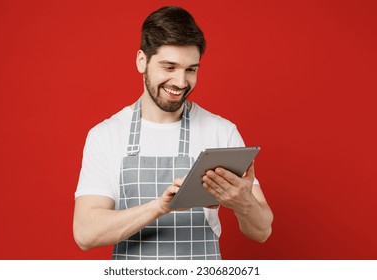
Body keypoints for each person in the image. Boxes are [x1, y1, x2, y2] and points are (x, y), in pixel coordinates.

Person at [73, 6, 273, 260]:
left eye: (191, 69)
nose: (180, 82)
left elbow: (262, 230)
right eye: (169, 67)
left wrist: (243, 202)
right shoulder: (107, 136)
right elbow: (85, 233)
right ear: (141, 61)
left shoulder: (221, 132)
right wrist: (159, 207)